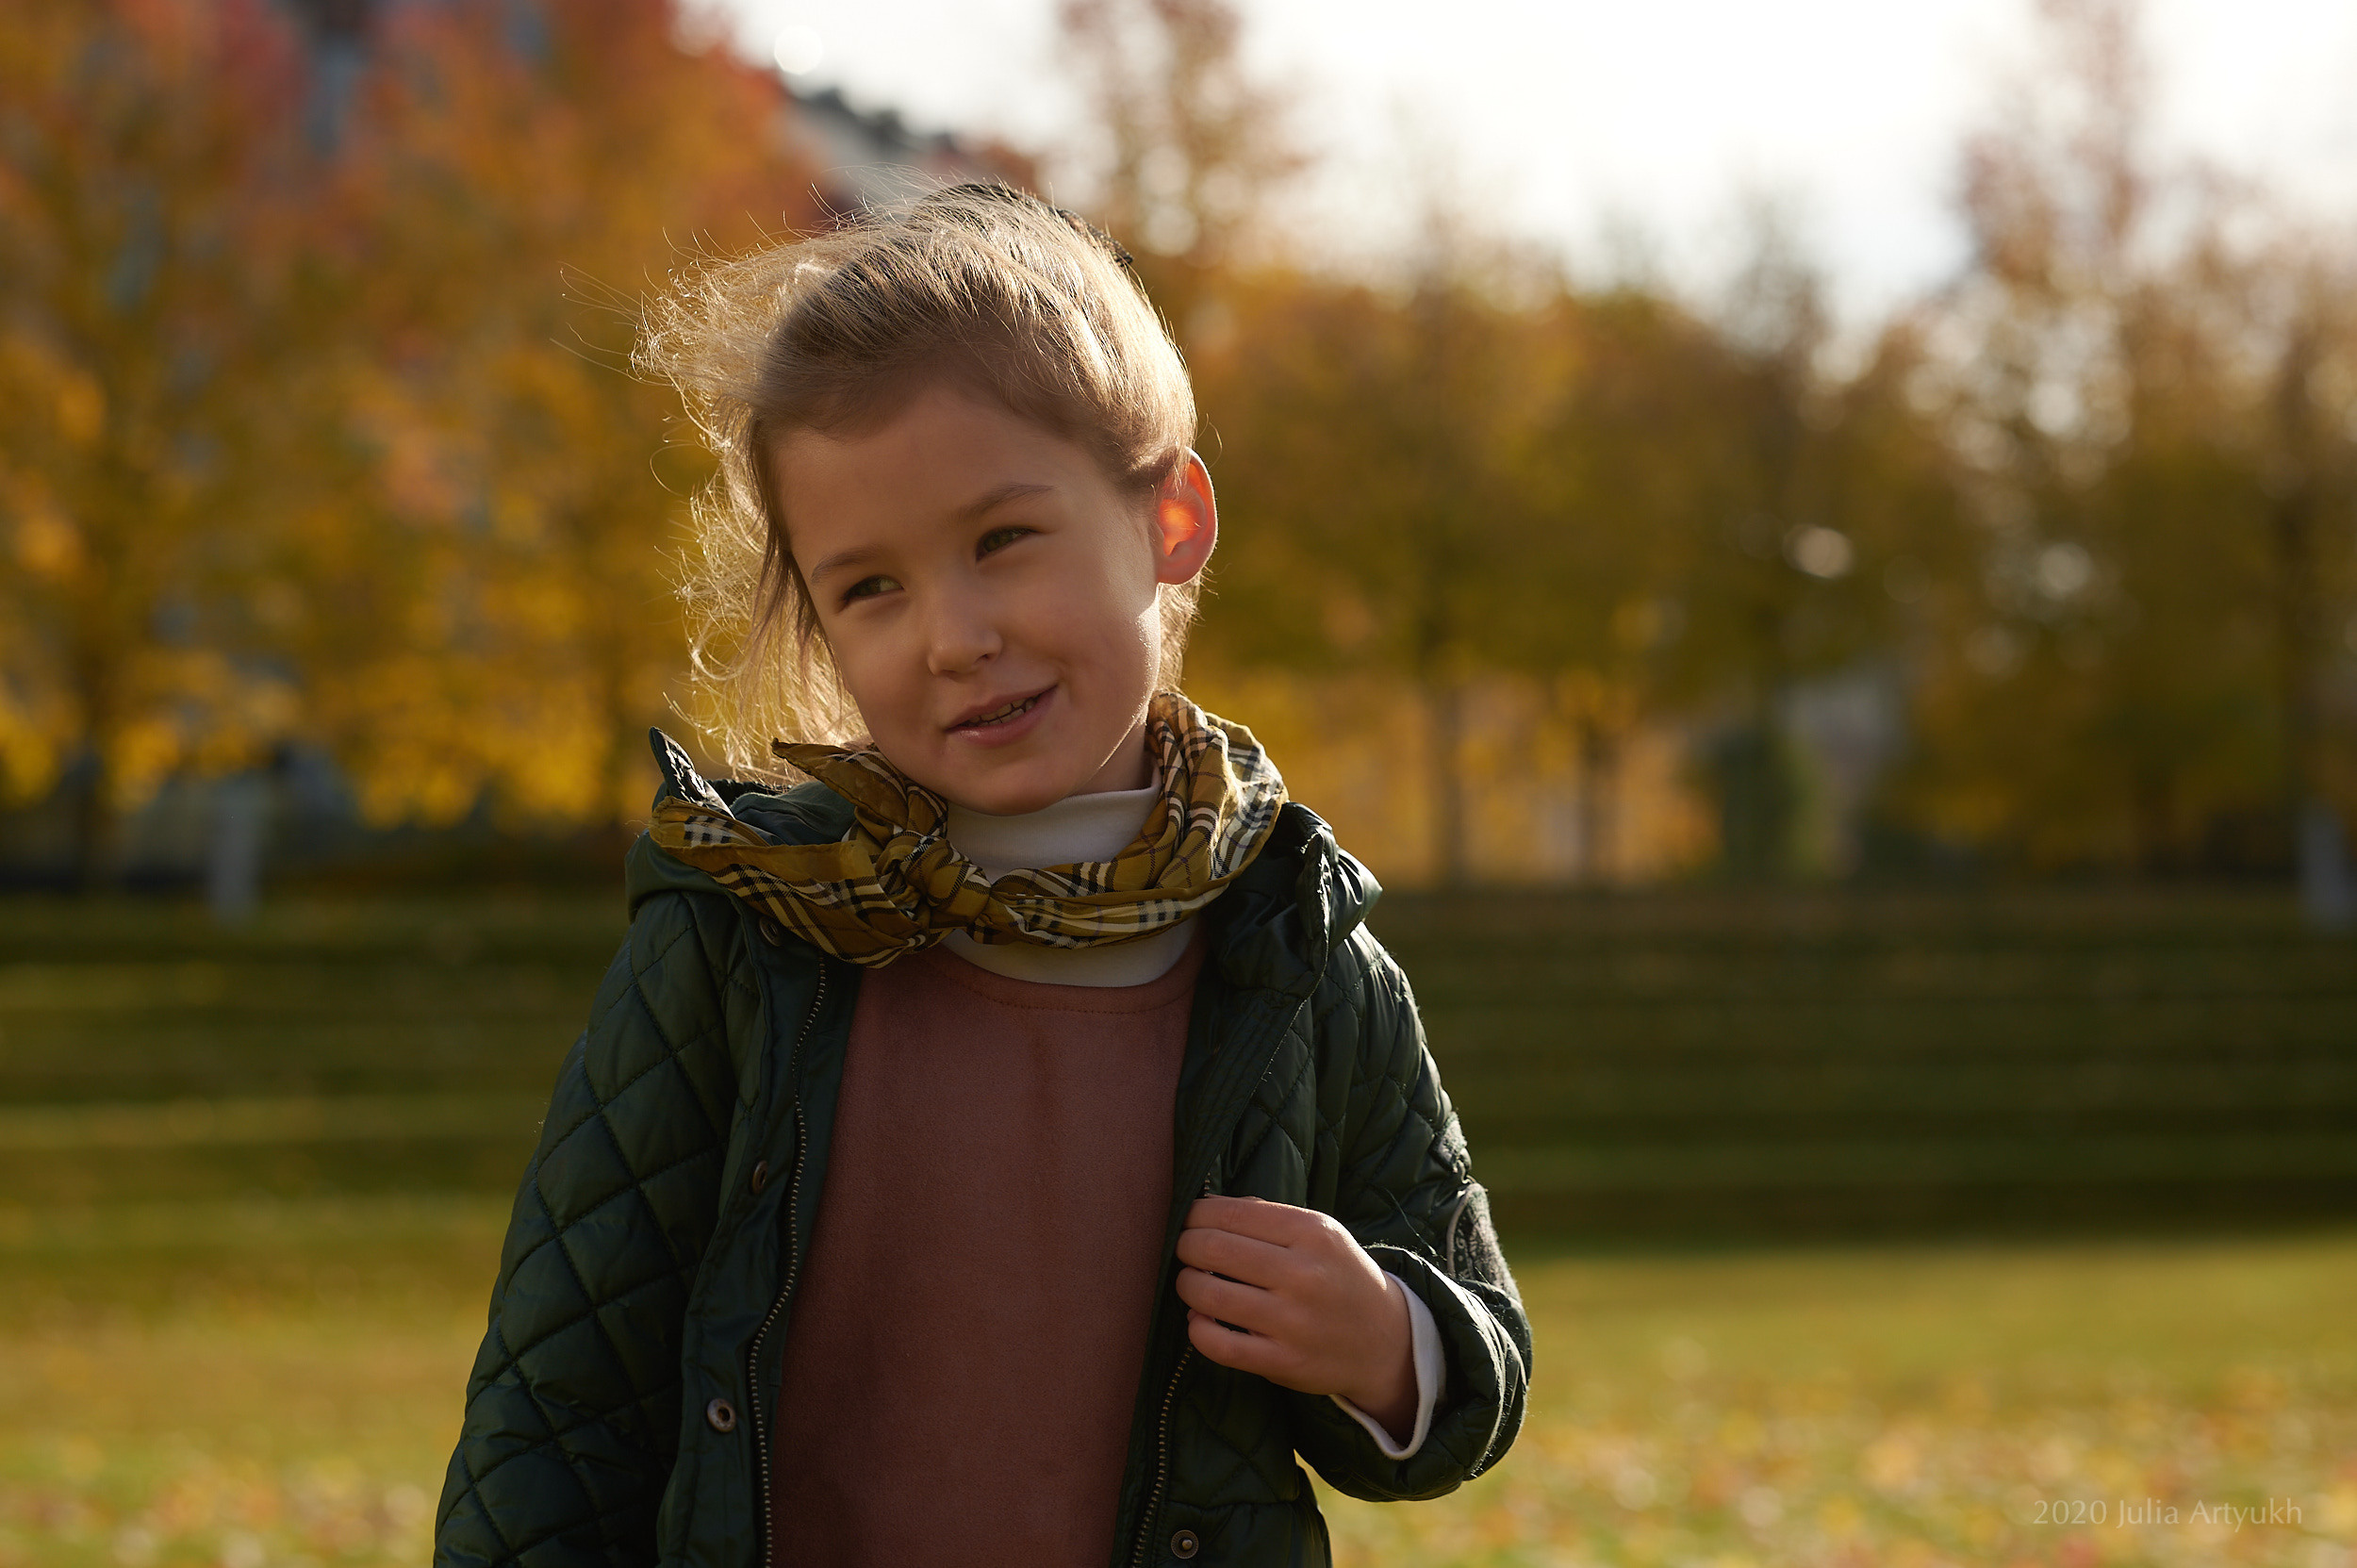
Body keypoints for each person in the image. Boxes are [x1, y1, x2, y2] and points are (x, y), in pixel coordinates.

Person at [433, 183, 1529, 1568]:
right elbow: (558, 1401)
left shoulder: (1294, 955)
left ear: (1170, 518)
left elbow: (1476, 1349)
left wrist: (1386, 1344)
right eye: (871, 589)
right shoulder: (743, 935)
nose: (953, 636)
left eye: (1003, 541)